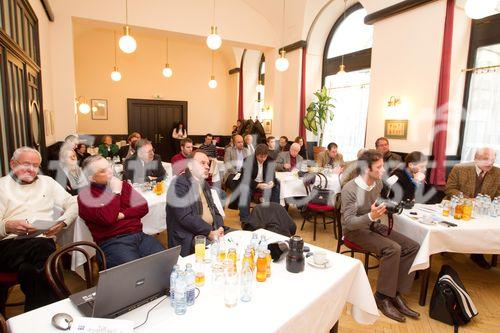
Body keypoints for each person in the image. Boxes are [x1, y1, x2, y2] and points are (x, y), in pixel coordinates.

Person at [340, 149, 420, 323]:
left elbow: (379, 201)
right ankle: (382, 297)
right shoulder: (350, 189)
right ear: (367, 169)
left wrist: (382, 209)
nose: (383, 170)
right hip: (353, 232)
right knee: (393, 248)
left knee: (412, 247)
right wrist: (371, 216)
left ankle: (394, 293)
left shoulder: (377, 184)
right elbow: (348, 223)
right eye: (379, 167)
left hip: (371, 225)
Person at [0, 147, 77, 311]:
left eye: (35, 165)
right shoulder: (2, 186)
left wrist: (63, 222)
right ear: (13, 164)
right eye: (26, 164)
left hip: (40, 243)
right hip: (9, 246)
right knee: (45, 249)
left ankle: (35, 314)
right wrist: (7, 226)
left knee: (30, 270)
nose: (31, 169)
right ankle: (57, 306)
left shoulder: (47, 182)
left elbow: (73, 202)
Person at [78, 155, 165, 268]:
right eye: (103, 171)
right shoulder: (86, 196)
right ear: (92, 178)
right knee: (136, 273)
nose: (110, 171)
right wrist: (116, 192)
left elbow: (143, 207)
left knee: (165, 261)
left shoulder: (123, 185)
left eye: (109, 167)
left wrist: (122, 214)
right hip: (112, 242)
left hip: (138, 235)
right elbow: (108, 218)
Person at [445, 147, 499, 269]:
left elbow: (498, 194)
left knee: (486, 227)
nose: (490, 163)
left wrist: (485, 203)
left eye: (492, 159)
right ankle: (447, 246)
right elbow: (449, 188)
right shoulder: (460, 168)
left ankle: (477, 254)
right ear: (475, 159)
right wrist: (467, 199)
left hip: (483, 210)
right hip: (458, 206)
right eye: (486, 159)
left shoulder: (497, 173)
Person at [166, 151, 225, 256]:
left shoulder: (204, 184)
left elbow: (214, 209)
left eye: (208, 164)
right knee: (220, 254)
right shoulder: (178, 184)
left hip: (210, 230)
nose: (207, 167)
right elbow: (185, 217)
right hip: (191, 235)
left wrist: (220, 227)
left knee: (238, 240)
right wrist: (209, 232)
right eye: (202, 163)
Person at [238, 144, 280, 224]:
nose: (263, 159)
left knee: (276, 187)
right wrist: (257, 185)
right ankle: (245, 219)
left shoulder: (270, 160)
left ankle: (273, 216)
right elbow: (245, 178)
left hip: (265, 183)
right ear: (256, 155)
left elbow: (273, 177)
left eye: (265, 157)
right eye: (260, 157)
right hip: (252, 183)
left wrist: (272, 183)